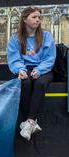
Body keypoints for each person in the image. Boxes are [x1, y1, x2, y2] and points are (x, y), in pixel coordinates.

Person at [7, 7, 56, 141]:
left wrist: (39, 70)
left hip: (44, 69)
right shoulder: (15, 38)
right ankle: (31, 122)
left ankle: (29, 121)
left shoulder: (46, 36)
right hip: (24, 68)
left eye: (39, 17)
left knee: (40, 83)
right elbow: (14, 58)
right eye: (34, 17)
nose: (38, 19)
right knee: (25, 82)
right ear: (24, 19)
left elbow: (50, 58)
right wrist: (21, 70)